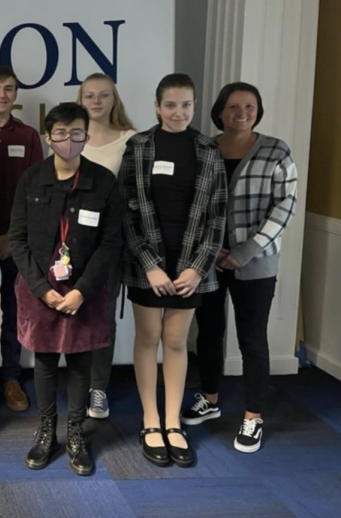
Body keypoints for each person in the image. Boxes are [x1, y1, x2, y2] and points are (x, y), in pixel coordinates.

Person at [181, 82, 297, 453]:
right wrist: (210, 250)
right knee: (209, 333)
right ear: (220, 111)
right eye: (233, 107)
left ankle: (253, 416)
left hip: (256, 263)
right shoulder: (205, 148)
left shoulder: (276, 150)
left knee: (252, 339)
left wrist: (244, 252)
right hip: (210, 261)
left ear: (258, 111)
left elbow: (284, 208)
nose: (242, 113)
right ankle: (210, 399)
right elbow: (193, 202)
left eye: (249, 106)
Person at [10, 102, 122, 475]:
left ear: (86, 137)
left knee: (79, 364)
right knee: (43, 362)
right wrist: (42, 289)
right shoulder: (31, 179)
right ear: (48, 137)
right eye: (60, 133)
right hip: (40, 290)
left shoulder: (103, 181)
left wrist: (82, 291)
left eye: (77, 133)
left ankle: (75, 433)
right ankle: (47, 432)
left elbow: (110, 243)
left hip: (84, 292)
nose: (68, 140)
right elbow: (18, 240)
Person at [121, 73, 226, 468]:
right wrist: (149, 265)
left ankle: (173, 422)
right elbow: (126, 212)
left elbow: (217, 217)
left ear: (195, 106)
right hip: (147, 262)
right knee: (148, 337)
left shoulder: (208, 150)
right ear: (156, 106)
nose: (178, 112)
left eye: (186, 105)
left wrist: (198, 268)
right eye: (170, 105)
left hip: (190, 266)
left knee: (177, 341)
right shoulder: (140, 146)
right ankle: (151, 420)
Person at [0, 65, 43, 413]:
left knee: (16, 311)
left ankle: (12, 377)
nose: (2, 94)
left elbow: (36, 192)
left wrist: (9, 237)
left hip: (18, 241)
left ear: (16, 94)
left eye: (9, 89)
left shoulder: (29, 136)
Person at [76, 73, 136, 419]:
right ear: (81, 100)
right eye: (89, 96)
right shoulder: (70, 137)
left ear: (114, 100)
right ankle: (76, 384)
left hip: (109, 245)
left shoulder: (131, 141)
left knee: (102, 316)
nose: (96, 102)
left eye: (103, 95)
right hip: (69, 246)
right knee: (71, 313)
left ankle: (98, 388)